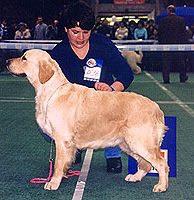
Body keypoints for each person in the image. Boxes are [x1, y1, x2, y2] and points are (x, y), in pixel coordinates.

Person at [50, 1, 134, 173]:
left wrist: (111, 89)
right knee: (48, 123)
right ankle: (74, 146)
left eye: (85, 32)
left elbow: (126, 73)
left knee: (111, 112)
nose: (80, 38)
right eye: (75, 32)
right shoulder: (58, 54)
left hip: (104, 105)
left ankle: (113, 154)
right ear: (66, 29)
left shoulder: (103, 44)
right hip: (74, 111)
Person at [158, 5, 188, 83]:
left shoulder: (163, 20)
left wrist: (161, 44)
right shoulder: (181, 20)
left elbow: (160, 33)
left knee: (166, 63)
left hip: (166, 45)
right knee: (181, 62)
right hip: (178, 45)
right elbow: (184, 33)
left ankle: (166, 79)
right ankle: (182, 77)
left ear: (168, 11)